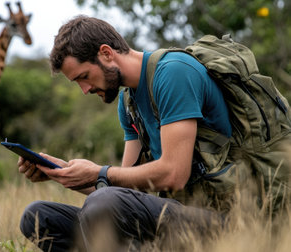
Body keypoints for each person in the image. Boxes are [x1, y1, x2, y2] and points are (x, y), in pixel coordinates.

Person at [16, 15, 279, 251]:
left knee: (105, 203)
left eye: (84, 77)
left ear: (106, 54)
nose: (84, 90)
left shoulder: (173, 73)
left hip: (227, 222)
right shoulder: (127, 102)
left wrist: (98, 172)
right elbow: (125, 185)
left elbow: (174, 174)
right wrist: (64, 174)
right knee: (38, 217)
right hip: (173, 219)